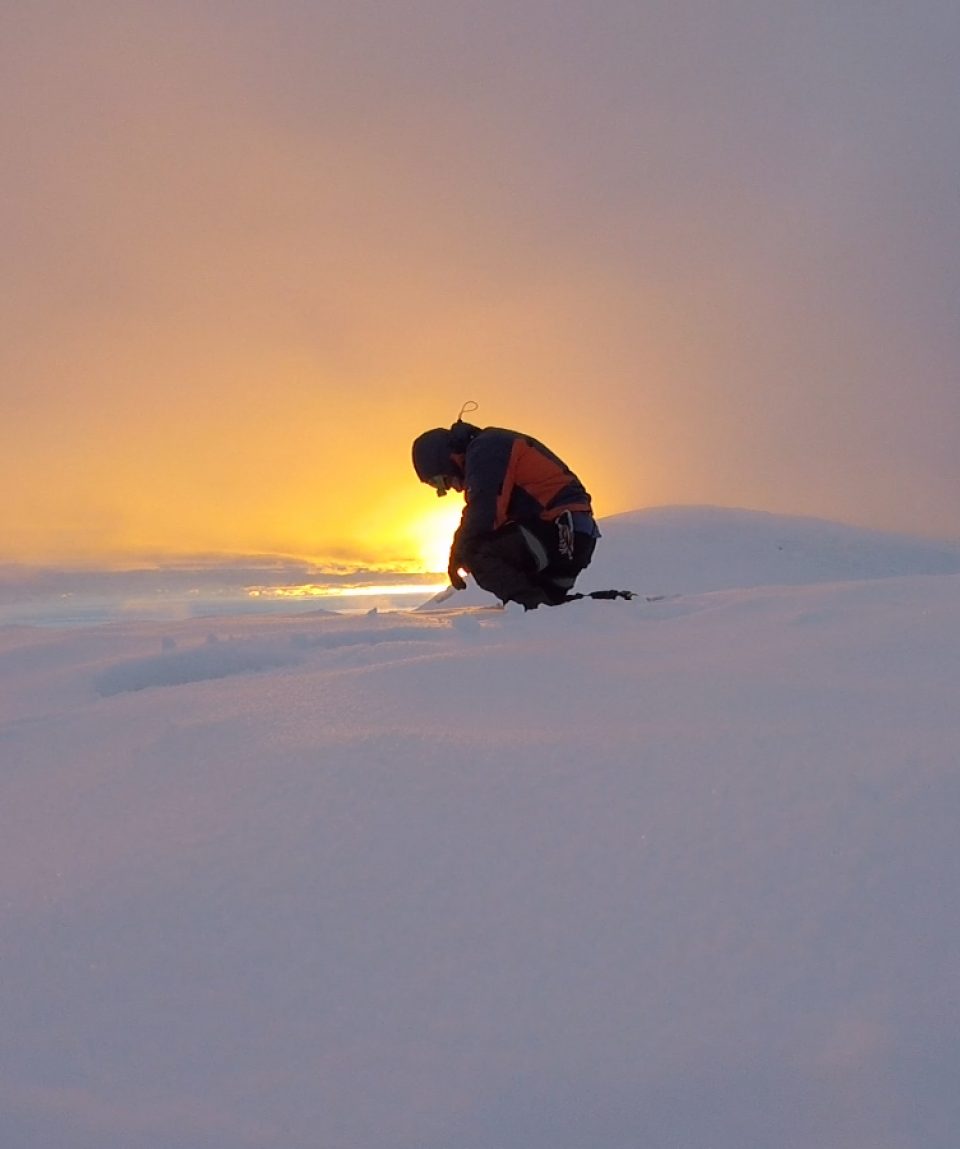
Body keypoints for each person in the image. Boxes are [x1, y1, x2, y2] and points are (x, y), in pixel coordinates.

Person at [412, 414, 601, 610]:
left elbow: (485, 512)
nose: (450, 489)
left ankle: (534, 612)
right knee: (550, 600)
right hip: (571, 535)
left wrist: (460, 553)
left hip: (561, 533)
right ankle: (600, 610)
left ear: (446, 460)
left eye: (440, 482)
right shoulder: (489, 446)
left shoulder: (486, 449)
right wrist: (458, 551)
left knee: (477, 552)